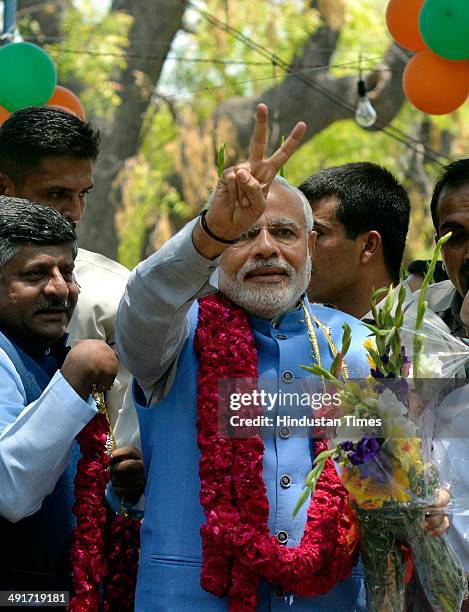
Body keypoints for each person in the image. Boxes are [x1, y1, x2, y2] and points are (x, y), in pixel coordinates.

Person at [115, 104, 447, 611]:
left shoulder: (364, 347)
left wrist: (417, 506)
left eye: (285, 233)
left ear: (311, 245)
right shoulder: (174, 334)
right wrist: (209, 229)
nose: (265, 248)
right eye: (244, 235)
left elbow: (384, 480)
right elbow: (145, 299)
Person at [0, 106, 144, 502]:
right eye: (57, 194)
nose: (74, 211)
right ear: (4, 187)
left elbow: (125, 445)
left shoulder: (113, 294)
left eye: (82, 194)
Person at [0, 197, 118, 591]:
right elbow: (11, 491)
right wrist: (75, 378)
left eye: (66, 271)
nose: (60, 289)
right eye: (35, 274)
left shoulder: (50, 353)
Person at [298, 162, 411, 320]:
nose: (300, 249)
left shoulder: (419, 338)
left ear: (368, 246)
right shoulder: (303, 326)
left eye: (317, 233)